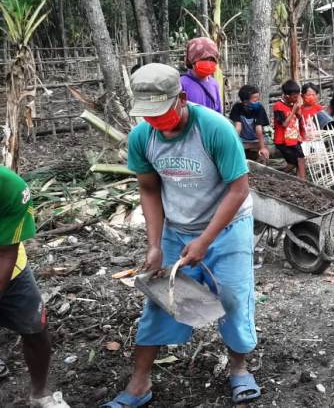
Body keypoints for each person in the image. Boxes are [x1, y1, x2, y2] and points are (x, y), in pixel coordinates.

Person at [102, 63, 259, 407]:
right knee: (162, 300)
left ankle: (239, 367)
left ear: (182, 99)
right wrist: (155, 245)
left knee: (233, 297)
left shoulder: (215, 129)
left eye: (162, 112)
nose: (156, 121)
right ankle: (139, 383)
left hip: (228, 226)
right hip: (177, 227)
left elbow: (238, 189)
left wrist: (205, 241)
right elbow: (148, 189)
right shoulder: (142, 137)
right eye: (148, 114)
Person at [0, 167, 70, 408]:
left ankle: (40, 393)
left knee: (35, 330)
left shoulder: (10, 188)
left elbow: (5, 253)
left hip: (8, 269)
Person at [272, 80, 307, 180]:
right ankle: (276, 176)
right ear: (287, 96)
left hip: (294, 139)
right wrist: (293, 111)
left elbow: (299, 117)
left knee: (299, 160)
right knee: (295, 162)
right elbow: (284, 124)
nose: (297, 98)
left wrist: (297, 109)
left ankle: (301, 180)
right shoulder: (278, 106)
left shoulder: (293, 104)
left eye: (298, 96)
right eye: (295, 97)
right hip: (283, 141)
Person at [180, 37, 224, 113]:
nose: (208, 63)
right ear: (191, 60)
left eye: (211, 59)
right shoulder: (182, 83)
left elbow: (218, 113)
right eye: (203, 59)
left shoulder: (214, 84)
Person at [230, 84, 270, 162]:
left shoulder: (259, 108)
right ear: (245, 102)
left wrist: (262, 147)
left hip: (257, 138)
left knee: (266, 148)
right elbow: (238, 127)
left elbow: (259, 129)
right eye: (255, 100)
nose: (257, 102)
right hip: (243, 139)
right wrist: (234, 143)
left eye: (258, 99)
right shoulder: (237, 107)